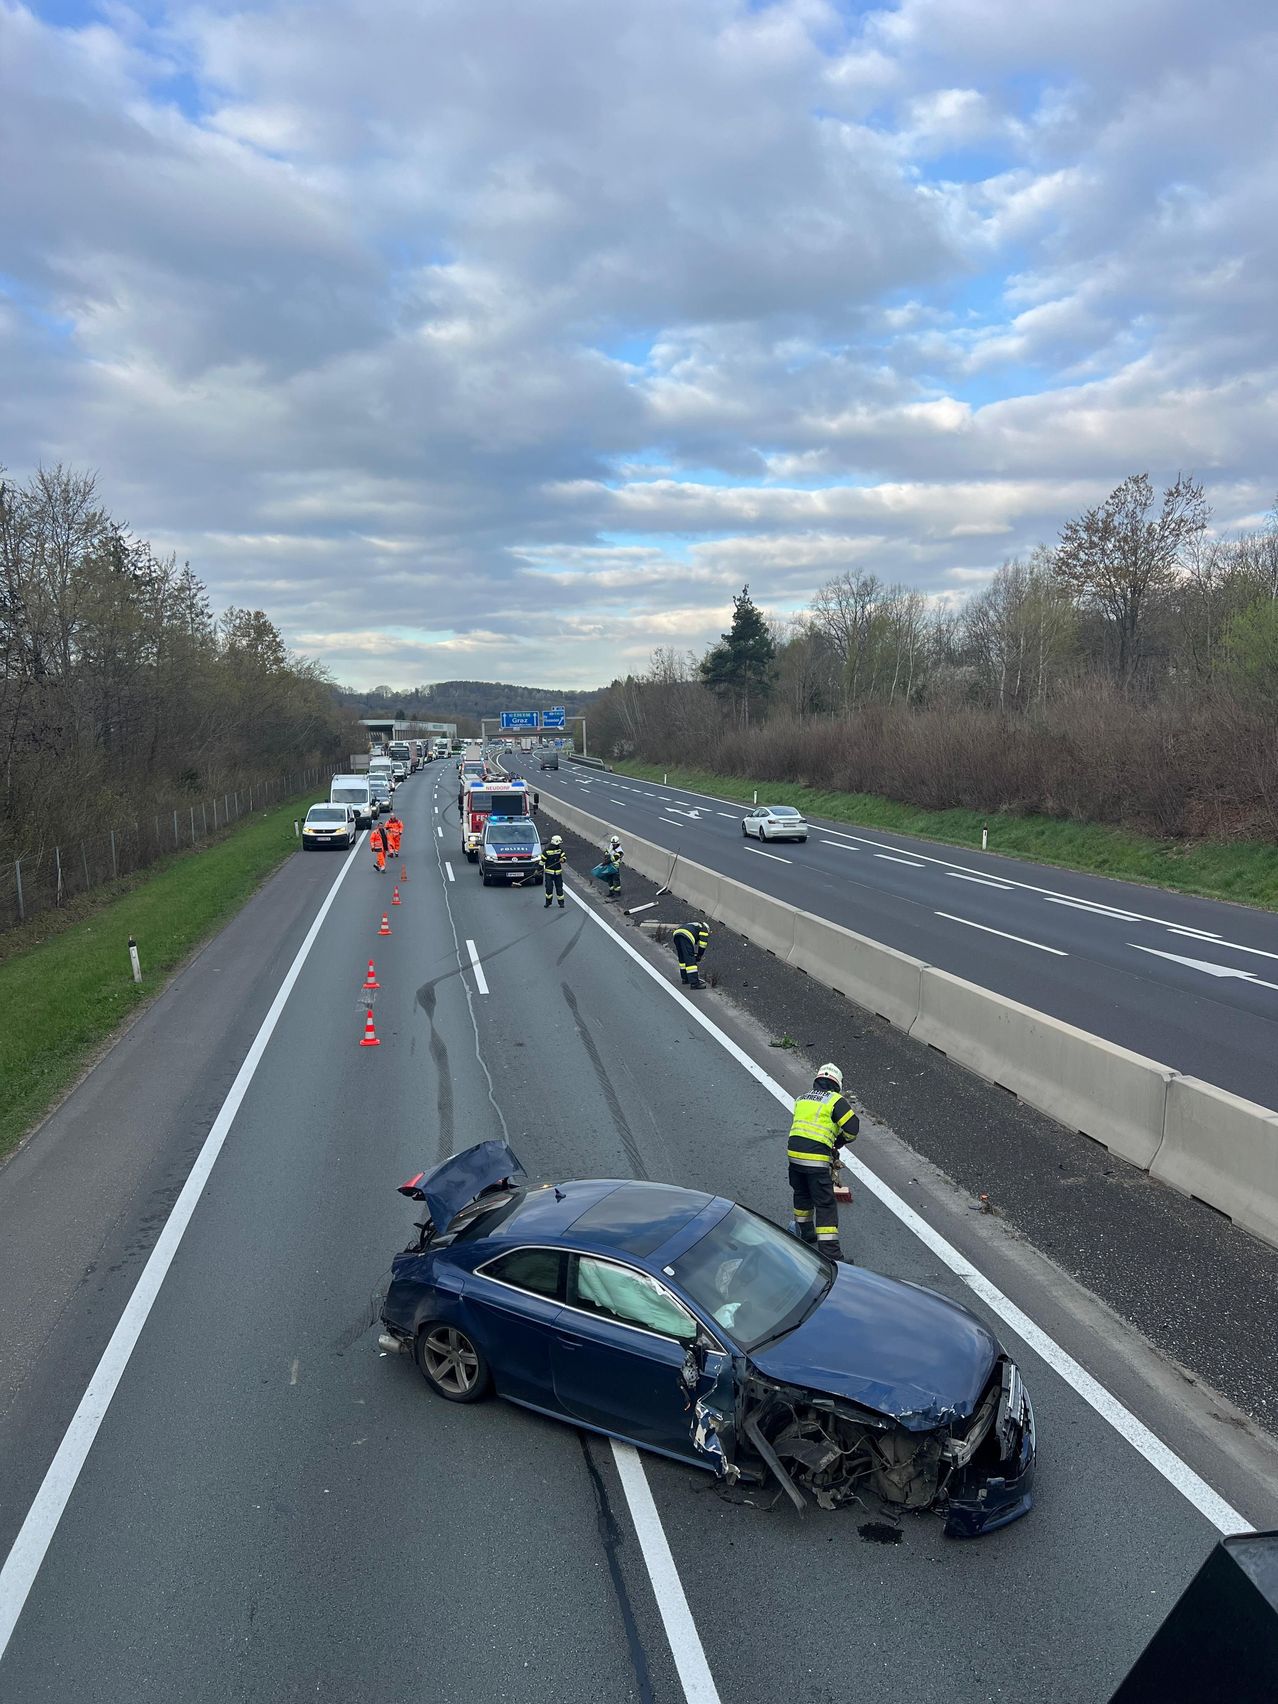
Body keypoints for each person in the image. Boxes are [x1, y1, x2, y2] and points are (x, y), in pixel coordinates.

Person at [786, 1063, 860, 1261]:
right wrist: (838, 1143)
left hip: (793, 1154)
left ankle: (804, 1233)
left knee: (802, 1194)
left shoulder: (801, 1099)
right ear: (837, 1085)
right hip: (816, 1158)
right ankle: (831, 1255)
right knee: (825, 1204)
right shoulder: (835, 1100)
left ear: (817, 1081)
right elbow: (853, 1129)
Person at [671, 919, 709, 988]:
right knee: (690, 959)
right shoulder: (704, 928)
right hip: (686, 937)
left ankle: (685, 978)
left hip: (677, 935)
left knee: (682, 958)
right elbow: (703, 944)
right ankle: (694, 983)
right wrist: (699, 955)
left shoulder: (694, 924)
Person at [543, 834, 566, 908]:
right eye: (559, 843)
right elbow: (542, 861)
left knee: (559, 888)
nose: (559, 844)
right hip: (549, 873)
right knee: (549, 888)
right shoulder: (546, 851)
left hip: (558, 873)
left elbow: (564, 856)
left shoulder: (559, 850)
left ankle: (561, 903)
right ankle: (548, 902)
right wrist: (538, 870)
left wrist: (563, 859)